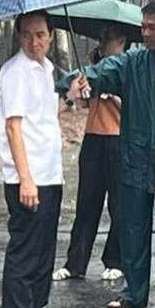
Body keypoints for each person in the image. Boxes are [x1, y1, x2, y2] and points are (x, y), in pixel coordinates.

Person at [62, 0, 155, 308]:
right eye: (142, 27)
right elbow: (103, 70)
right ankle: (135, 293)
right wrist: (79, 78)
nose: (144, 33)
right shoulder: (133, 62)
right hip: (134, 156)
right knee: (133, 227)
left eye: (151, 28)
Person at [0, 11, 74, 308]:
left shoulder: (46, 69)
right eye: (27, 35)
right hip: (26, 177)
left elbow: (44, 113)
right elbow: (13, 127)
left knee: (44, 251)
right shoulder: (15, 72)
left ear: (50, 35)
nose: (35, 41)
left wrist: (71, 96)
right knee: (25, 250)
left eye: (41, 34)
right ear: (18, 36)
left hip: (49, 171)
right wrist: (25, 179)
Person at [52, 24, 127, 283]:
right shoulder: (92, 70)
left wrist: (114, 96)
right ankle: (75, 263)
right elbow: (82, 101)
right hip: (94, 140)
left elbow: (135, 108)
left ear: (123, 40)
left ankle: (115, 260)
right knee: (87, 204)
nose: (106, 41)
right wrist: (84, 92)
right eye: (103, 37)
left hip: (119, 140)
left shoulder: (129, 68)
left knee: (119, 206)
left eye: (111, 37)